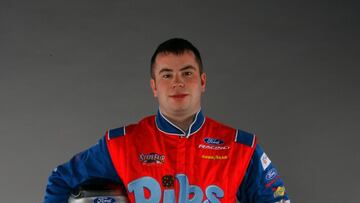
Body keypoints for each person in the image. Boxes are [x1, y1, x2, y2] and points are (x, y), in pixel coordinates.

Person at [44, 38, 290, 203]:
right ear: (154, 86)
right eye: (167, 75)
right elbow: (61, 180)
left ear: (202, 81)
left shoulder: (240, 148)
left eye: (187, 73)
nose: (177, 82)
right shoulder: (122, 145)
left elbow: (277, 199)